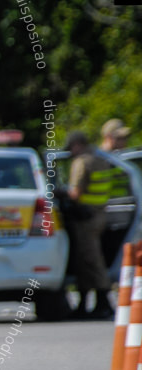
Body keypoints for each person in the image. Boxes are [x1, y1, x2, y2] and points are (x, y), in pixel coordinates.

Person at [63, 130, 115, 319]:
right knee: (85, 260)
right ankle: (86, 305)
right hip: (99, 214)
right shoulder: (100, 158)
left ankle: (103, 303)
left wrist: (60, 193)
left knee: (91, 260)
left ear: (77, 144)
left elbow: (75, 193)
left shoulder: (82, 162)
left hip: (86, 218)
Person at [101, 119, 132, 199]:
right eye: (119, 138)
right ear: (107, 137)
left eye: (125, 138)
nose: (124, 142)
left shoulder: (127, 159)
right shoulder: (96, 160)